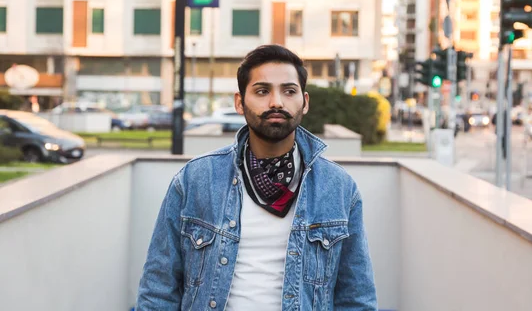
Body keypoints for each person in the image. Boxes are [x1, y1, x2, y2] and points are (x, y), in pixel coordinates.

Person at [136, 45, 377, 310]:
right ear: (240, 102)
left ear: (305, 102)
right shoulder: (195, 179)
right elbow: (158, 289)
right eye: (262, 91)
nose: (276, 102)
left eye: (289, 91)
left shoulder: (338, 188)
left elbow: (356, 298)